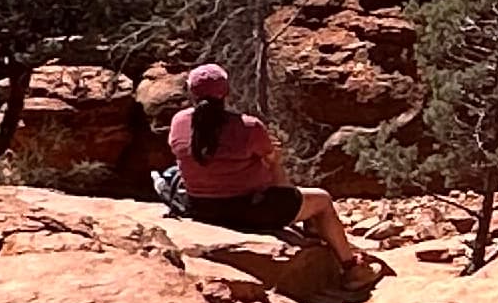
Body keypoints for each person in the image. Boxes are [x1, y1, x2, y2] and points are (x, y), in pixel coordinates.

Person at [157, 66, 376, 288]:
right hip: (252, 212)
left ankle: (314, 232)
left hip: (200, 208)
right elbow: (278, 181)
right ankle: (351, 268)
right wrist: (275, 161)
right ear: (226, 92)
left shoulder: (179, 122)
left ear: (192, 93)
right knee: (322, 199)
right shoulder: (249, 126)